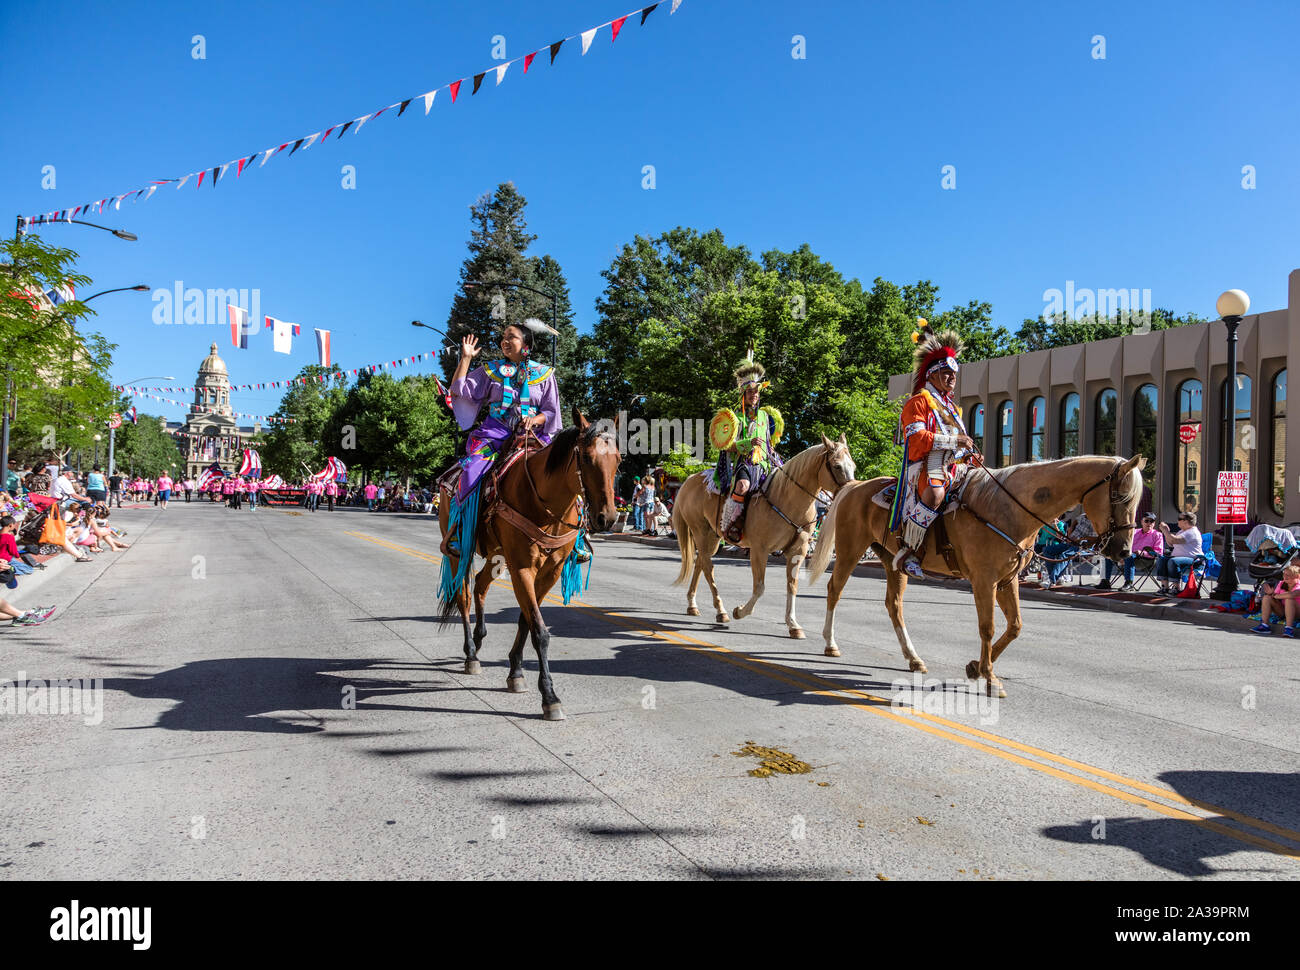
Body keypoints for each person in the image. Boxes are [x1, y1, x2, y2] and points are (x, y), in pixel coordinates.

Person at [440, 320, 562, 564]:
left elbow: (551, 412)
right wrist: (465, 358)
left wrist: (534, 419)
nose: (504, 341)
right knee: (471, 469)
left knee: (566, 472)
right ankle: (460, 531)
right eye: (503, 337)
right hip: (494, 435)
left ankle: (577, 539)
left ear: (526, 345)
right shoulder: (491, 370)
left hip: (534, 438)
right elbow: (460, 390)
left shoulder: (545, 375)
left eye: (512, 337)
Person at [887, 320, 979, 578]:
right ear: (932, 374)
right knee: (936, 494)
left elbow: (958, 440)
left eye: (954, 375)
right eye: (947, 373)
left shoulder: (952, 409)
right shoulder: (917, 402)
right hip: (926, 464)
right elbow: (916, 440)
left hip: (953, 465)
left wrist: (970, 452)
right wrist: (955, 442)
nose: (952, 378)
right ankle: (909, 550)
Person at [710, 353, 785, 545]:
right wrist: (748, 443)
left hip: (765, 463)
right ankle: (731, 524)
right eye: (750, 392)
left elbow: (769, 443)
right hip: (743, 463)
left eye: (757, 392)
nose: (754, 395)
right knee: (742, 486)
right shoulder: (735, 418)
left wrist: (774, 455)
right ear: (744, 395)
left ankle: (778, 532)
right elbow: (728, 446)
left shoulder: (766, 418)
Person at [1099, 512, 1163, 590]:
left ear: (1154, 523)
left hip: (1146, 560)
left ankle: (1129, 583)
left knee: (1129, 556)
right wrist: (1120, 555)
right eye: (1146, 521)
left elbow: (1158, 553)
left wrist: (1143, 553)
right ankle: (1105, 581)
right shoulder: (1134, 532)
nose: (1149, 523)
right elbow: (1124, 544)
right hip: (1129, 556)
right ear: (1142, 522)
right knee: (1108, 556)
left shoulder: (1157, 534)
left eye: (1152, 521)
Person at [1157, 512, 1204, 595]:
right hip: (1181, 558)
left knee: (1174, 561)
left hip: (1194, 560)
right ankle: (1165, 587)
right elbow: (1171, 543)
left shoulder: (1192, 532)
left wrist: (1166, 531)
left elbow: (1175, 540)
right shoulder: (1182, 531)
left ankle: (1176, 588)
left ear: (1185, 521)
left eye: (1179, 519)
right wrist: (1165, 532)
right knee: (1162, 559)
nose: (1177, 521)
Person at [1252, 564, 1300, 636]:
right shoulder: (1281, 583)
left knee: (1289, 599)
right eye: (1284, 574)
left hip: (1297, 613)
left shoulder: (1298, 585)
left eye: (1288, 575)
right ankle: (1264, 626)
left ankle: (1289, 628)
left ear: (1297, 576)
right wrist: (1272, 594)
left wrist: (1276, 596)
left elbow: (1292, 594)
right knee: (1267, 597)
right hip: (1283, 612)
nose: (1285, 577)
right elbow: (1273, 596)